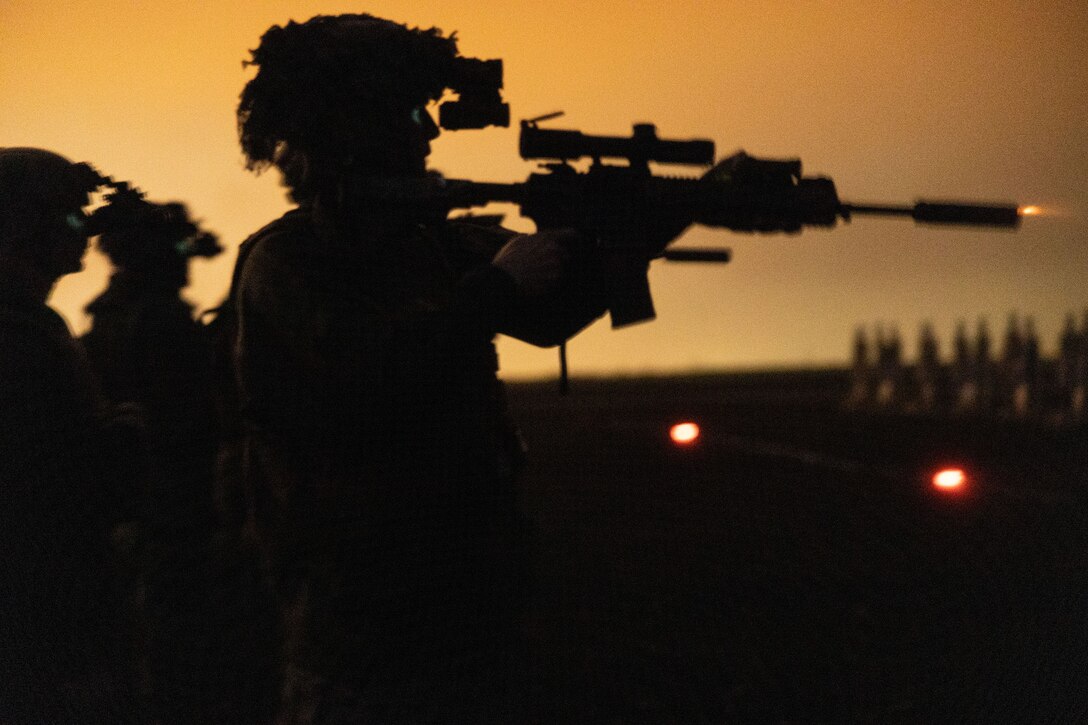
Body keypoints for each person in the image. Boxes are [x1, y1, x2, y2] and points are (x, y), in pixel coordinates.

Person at [227, 14, 607, 722]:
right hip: (362, 629)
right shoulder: (288, 263)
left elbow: (551, 310)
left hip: (465, 607)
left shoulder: (429, 243)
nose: (428, 133)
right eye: (410, 114)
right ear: (353, 127)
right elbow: (371, 381)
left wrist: (626, 234)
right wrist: (495, 287)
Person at [0, 147, 143, 722]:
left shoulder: (32, 326)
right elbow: (68, 484)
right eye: (66, 216)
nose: (84, 231)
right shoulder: (23, 335)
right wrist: (128, 436)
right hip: (45, 620)